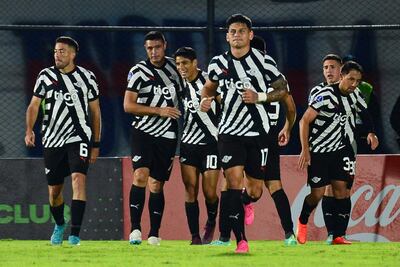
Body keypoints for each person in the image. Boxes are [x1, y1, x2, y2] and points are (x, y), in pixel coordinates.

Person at [200, 14, 290, 253]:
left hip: (259, 134)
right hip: (229, 132)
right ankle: (240, 239)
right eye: (233, 31)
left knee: (255, 190)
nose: (237, 35)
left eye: (241, 31)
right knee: (232, 182)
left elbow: (282, 89)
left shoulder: (264, 61)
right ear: (227, 36)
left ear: (250, 35)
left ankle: (246, 207)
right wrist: (206, 100)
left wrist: (259, 97)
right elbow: (208, 87)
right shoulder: (218, 63)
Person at [25, 36, 102, 246]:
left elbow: (95, 112)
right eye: (56, 51)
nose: (57, 55)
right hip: (52, 139)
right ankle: (59, 224)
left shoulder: (87, 77)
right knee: (55, 192)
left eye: (62, 51)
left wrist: (95, 143)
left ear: (73, 54)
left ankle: (75, 235)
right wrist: (29, 130)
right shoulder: (45, 76)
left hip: (79, 136)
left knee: (78, 179)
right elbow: (33, 105)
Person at [297, 61, 379, 245]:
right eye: (351, 79)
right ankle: (302, 221)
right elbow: (304, 121)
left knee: (342, 190)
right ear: (342, 76)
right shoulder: (324, 95)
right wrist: (305, 149)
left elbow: (365, 114)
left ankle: (338, 235)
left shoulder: (355, 94)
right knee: (317, 194)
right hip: (320, 151)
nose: (354, 84)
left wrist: (371, 132)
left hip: (343, 150)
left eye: (357, 81)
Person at [124, 31, 183, 246]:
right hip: (143, 131)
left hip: (167, 134)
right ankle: (135, 229)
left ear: (164, 45)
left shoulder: (176, 68)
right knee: (140, 175)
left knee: (157, 184)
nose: (154, 51)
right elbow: (128, 105)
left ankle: (154, 233)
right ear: (145, 49)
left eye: (157, 47)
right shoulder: (138, 71)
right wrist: (159, 111)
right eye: (149, 48)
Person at [240, 35, 298, 246]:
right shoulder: (241, 78)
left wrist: (287, 127)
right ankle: (243, 208)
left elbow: (290, 106)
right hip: (247, 138)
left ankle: (289, 234)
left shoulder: (274, 77)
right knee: (254, 192)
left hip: (269, 138)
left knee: (275, 185)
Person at [174, 47, 221, 245]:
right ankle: (194, 236)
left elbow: (226, 103)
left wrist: (214, 105)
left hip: (211, 143)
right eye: (178, 64)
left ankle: (211, 222)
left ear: (195, 63)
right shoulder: (178, 85)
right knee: (190, 188)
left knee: (209, 192)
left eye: (185, 63)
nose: (181, 67)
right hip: (188, 144)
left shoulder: (209, 82)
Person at [342, 55, 381, 154]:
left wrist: (370, 131)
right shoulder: (332, 89)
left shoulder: (367, 88)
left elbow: (374, 113)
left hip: (361, 131)